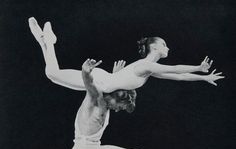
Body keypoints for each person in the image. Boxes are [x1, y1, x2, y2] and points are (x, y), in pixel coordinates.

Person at [28, 17, 224, 93]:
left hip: (103, 81)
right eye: (164, 44)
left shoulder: (149, 70)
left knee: (52, 75)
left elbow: (179, 76)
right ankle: (48, 42)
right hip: (100, 80)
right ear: (154, 47)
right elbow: (175, 68)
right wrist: (198, 67)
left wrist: (204, 78)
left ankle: (45, 42)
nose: (168, 48)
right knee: (52, 74)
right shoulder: (146, 66)